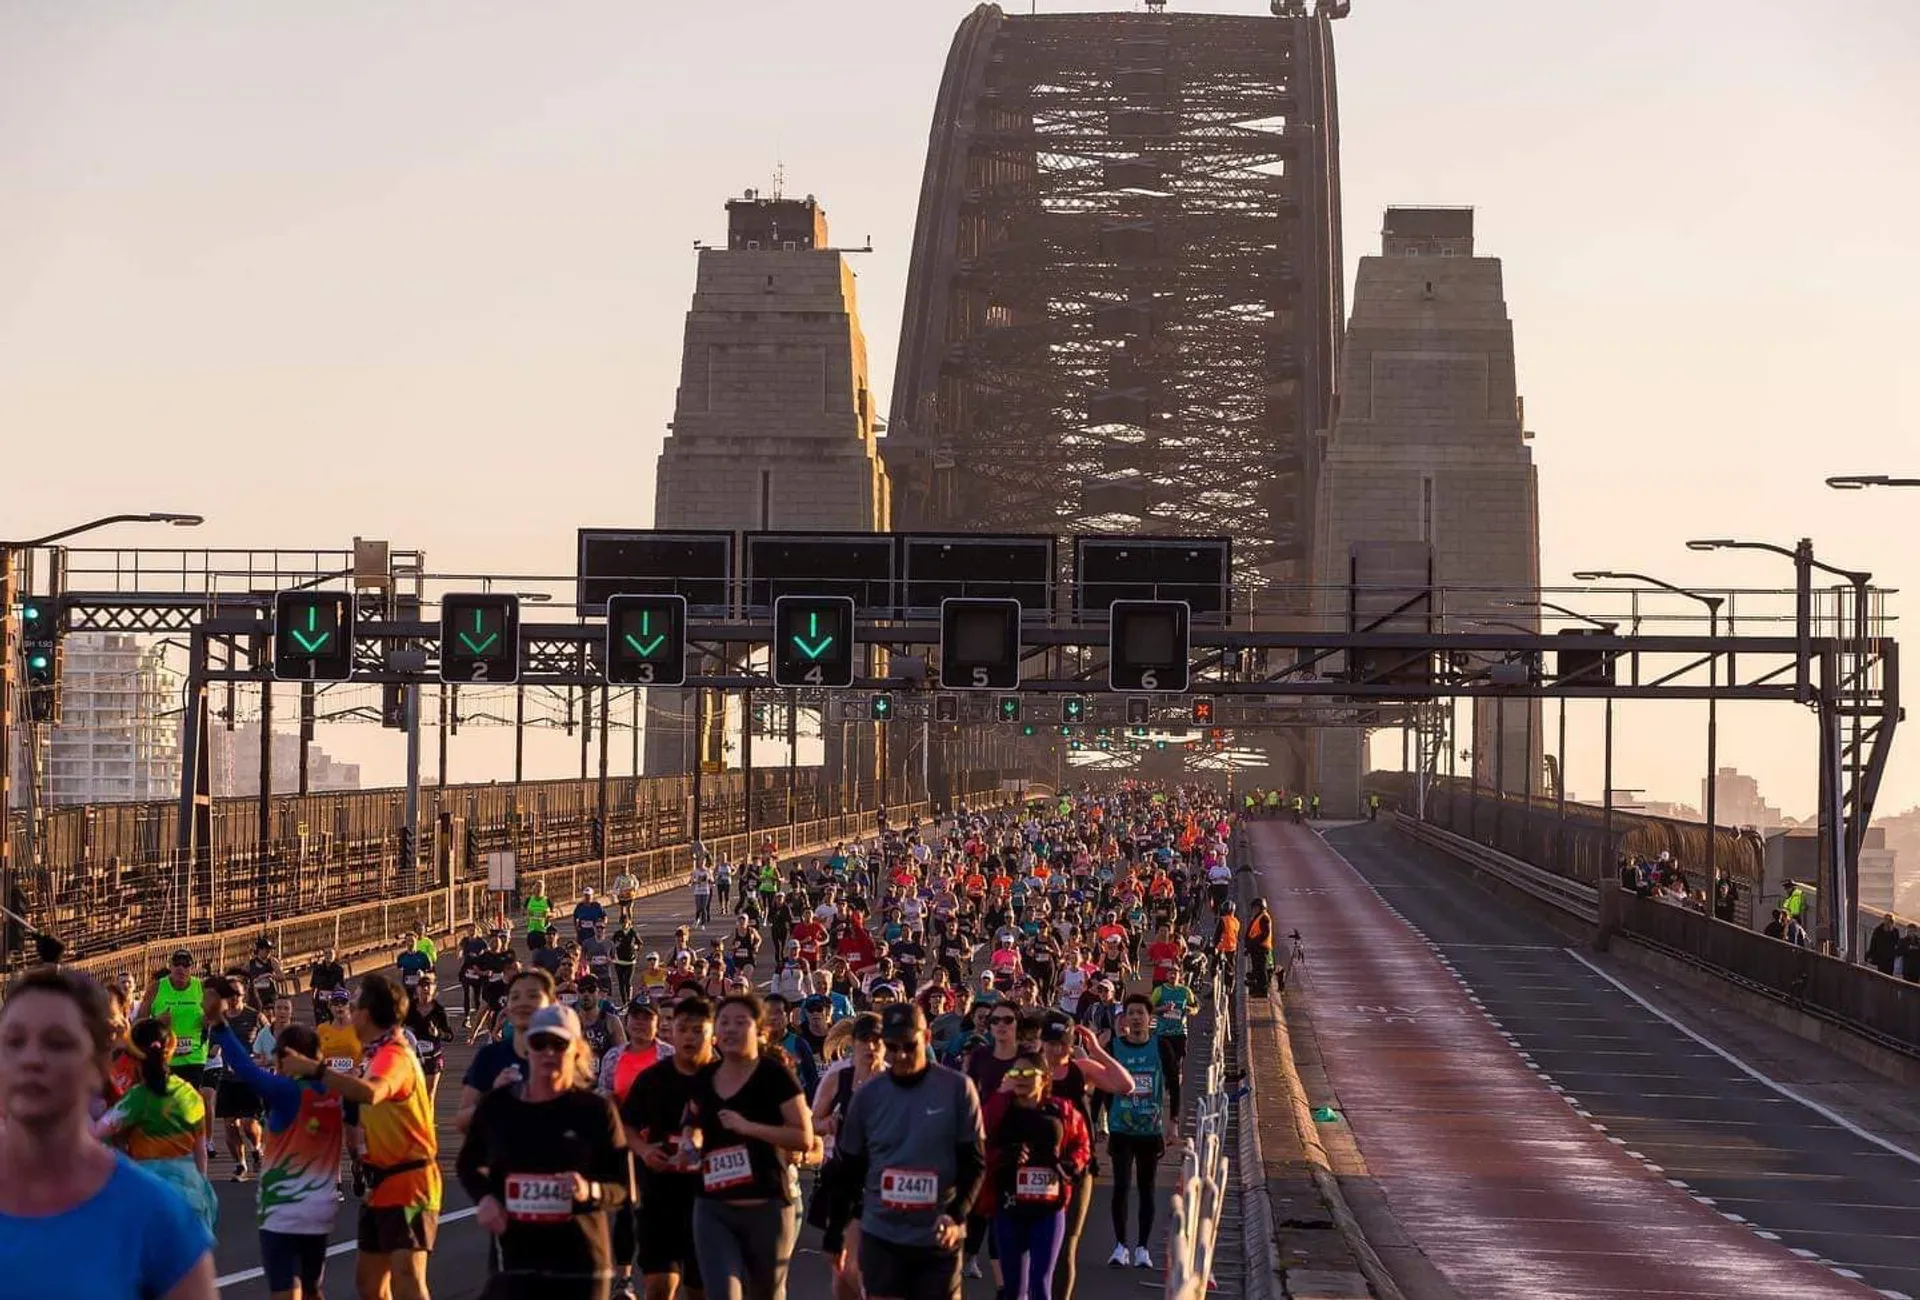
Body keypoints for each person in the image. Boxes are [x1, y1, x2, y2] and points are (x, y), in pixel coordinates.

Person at [0, 967, 217, 1300]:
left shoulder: (156, 1215)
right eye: (13, 1041)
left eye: (57, 1043)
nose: (31, 1058)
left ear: (98, 1065)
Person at [280, 972, 441, 1300]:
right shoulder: (373, 1055)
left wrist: (314, 1070)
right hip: (380, 1183)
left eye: (353, 1005)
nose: (348, 1011)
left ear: (366, 1013)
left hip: (410, 1183)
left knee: (407, 1279)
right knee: (370, 1287)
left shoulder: (393, 1055)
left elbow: (373, 1093)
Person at [459, 1003, 633, 1300]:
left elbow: (622, 1186)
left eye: (559, 1044)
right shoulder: (499, 1105)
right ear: (528, 1049)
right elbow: (468, 1163)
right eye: (540, 1044)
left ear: (577, 1050)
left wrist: (589, 1191)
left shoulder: (595, 1111)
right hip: (515, 1259)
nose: (549, 1053)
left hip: (579, 1261)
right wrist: (485, 1197)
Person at [829, 1002, 985, 1300]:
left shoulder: (957, 1089)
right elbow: (849, 1169)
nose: (900, 1055)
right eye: (892, 1046)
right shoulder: (868, 1095)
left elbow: (974, 1163)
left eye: (909, 1046)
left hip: (938, 1233)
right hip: (882, 1233)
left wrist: (956, 1215)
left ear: (926, 1039)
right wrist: (836, 1233)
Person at [207, 988, 344, 1300]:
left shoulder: (286, 1092)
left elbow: (247, 1070)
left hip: (283, 1211)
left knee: (284, 1292)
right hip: (319, 1212)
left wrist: (220, 1026)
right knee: (312, 1289)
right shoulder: (334, 1093)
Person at [687, 993, 813, 1300]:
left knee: (765, 1293)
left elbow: (803, 1137)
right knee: (721, 1293)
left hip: (767, 1206)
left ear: (759, 1030)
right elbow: (692, 1124)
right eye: (724, 1022)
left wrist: (749, 1128)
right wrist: (690, 1145)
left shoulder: (774, 1075)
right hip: (713, 1207)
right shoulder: (705, 1076)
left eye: (740, 1023)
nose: (730, 1029)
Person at [625, 995, 718, 1300]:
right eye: (683, 1029)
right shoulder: (653, 1078)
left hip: (710, 1198)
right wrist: (643, 1150)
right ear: (671, 1031)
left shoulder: (724, 1078)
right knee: (659, 1286)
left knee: (699, 1288)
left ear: (712, 1034)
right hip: (659, 1195)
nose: (689, 1037)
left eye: (697, 1030)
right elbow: (626, 1125)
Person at [94, 1014, 219, 1236]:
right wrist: (201, 1188)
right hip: (189, 1195)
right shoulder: (190, 1094)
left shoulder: (138, 1098)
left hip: (149, 1196)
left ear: (134, 1057)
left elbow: (96, 1133)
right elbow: (201, 1152)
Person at [983, 1052, 1091, 1300]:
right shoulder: (999, 1108)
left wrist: (1073, 1163)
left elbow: (1081, 1144)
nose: (1021, 1078)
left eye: (1028, 1073)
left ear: (1044, 1078)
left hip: (1048, 1209)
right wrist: (1003, 1156)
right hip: (1010, 1208)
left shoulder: (1061, 1109)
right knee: (1013, 1289)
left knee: (1041, 1284)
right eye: (1015, 1073)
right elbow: (978, 1146)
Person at [1104, 994, 1182, 1269]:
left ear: (1150, 1019)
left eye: (1141, 1013)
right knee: (1121, 1187)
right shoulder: (1114, 1047)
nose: (1136, 1018)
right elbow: (1102, 1087)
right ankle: (1120, 1246)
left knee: (1147, 1189)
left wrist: (1173, 1123)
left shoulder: (1161, 1047)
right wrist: (1099, 1122)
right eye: (1131, 1013)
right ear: (1124, 1018)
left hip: (1150, 1130)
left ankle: (1142, 1249)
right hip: (1121, 1128)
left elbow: (1174, 1084)